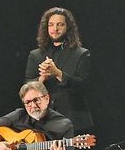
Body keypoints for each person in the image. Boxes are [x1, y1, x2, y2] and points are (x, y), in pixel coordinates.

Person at [23, 7, 95, 135]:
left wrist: (58, 73)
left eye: (60, 24)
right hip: (43, 122)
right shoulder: (35, 55)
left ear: (68, 27)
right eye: (51, 25)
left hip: (74, 121)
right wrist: (41, 79)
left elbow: (83, 85)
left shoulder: (81, 54)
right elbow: (26, 89)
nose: (55, 29)